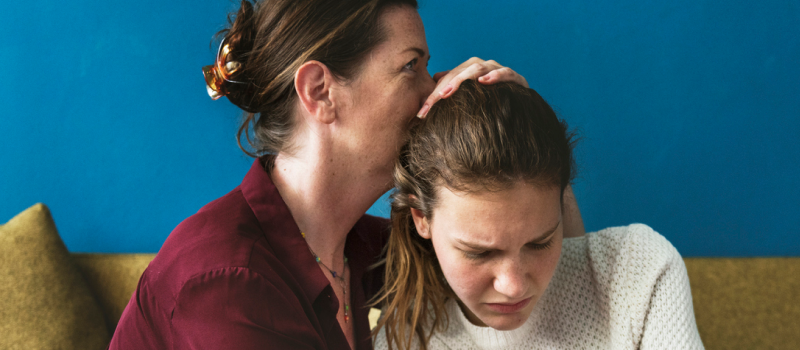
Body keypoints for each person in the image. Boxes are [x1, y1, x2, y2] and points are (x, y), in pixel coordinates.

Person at [108, 0, 534, 349]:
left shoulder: (357, 249)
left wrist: (526, 129)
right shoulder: (228, 286)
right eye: (410, 66)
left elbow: (552, 283)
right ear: (320, 92)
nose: (434, 89)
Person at [372, 80, 704, 350]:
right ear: (421, 218)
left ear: (564, 204)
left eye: (540, 243)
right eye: (480, 252)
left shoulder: (636, 270)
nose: (513, 286)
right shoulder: (405, 338)